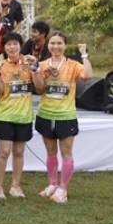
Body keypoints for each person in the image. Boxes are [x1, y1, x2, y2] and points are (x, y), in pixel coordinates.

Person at [31, 32, 92, 204]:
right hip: (46, 114)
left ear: (65, 45)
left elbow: (87, 76)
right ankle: (52, 184)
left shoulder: (72, 65)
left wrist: (84, 54)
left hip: (65, 116)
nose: (56, 46)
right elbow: (39, 89)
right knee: (51, 152)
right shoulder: (43, 64)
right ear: (48, 45)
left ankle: (63, 189)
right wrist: (40, 73)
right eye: (52, 43)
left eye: (59, 43)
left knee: (66, 153)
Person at [0, 32, 36, 199]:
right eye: (8, 44)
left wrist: (35, 68)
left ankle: (15, 186)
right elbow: (0, 91)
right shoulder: (0, 66)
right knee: (4, 152)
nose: (12, 47)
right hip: (5, 115)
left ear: (20, 45)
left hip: (24, 116)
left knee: (19, 152)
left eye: (15, 44)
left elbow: (39, 86)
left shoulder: (28, 64)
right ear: (4, 48)